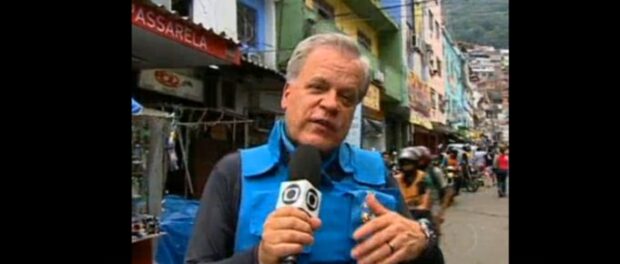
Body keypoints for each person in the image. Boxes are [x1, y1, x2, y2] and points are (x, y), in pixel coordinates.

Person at [185, 33, 443, 264]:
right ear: (287, 94)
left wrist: (423, 242)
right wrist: (259, 257)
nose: (331, 104)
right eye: (317, 87)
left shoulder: (377, 172)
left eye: (346, 97)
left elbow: (419, 250)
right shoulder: (234, 172)